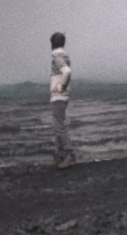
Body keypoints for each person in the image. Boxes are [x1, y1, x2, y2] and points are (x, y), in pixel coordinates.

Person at [49, 32, 75, 169]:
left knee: (59, 126)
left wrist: (60, 86)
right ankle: (59, 153)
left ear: (52, 43)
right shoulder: (64, 54)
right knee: (58, 124)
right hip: (64, 94)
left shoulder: (57, 55)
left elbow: (66, 71)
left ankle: (69, 154)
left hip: (59, 95)